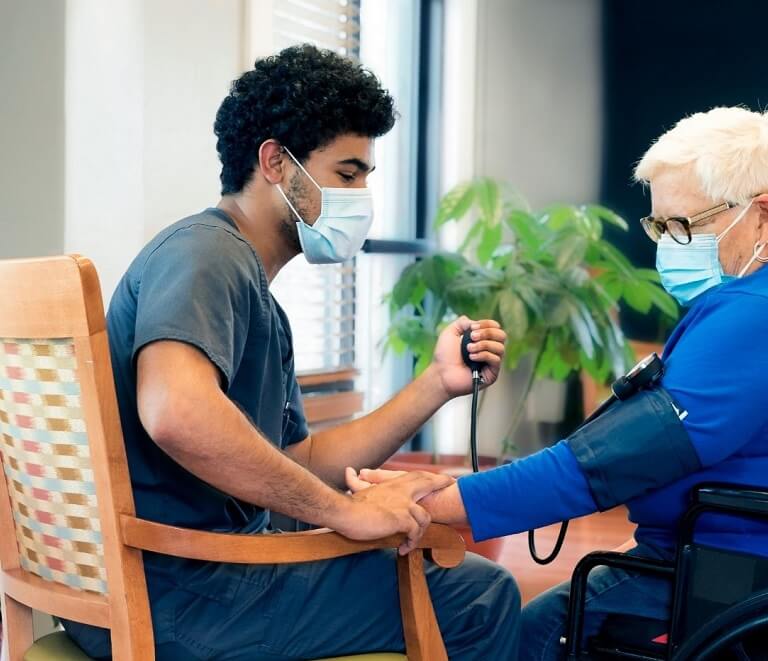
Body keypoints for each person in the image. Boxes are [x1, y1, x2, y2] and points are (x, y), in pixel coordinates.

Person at [348, 106, 768, 660]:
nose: (669, 245)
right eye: (659, 224)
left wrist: (440, 501)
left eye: (686, 225)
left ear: (762, 212)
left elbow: (608, 464)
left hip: (747, 582)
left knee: (526, 632)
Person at [62, 45, 520, 660]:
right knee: (479, 596)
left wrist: (435, 383)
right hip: (185, 595)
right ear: (276, 163)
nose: (361, 195)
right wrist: (344, 513)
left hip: (160, 589)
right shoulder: (206, 254)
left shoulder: (247, 287)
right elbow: (175, 411)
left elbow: (295, 460)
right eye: (347, 174)